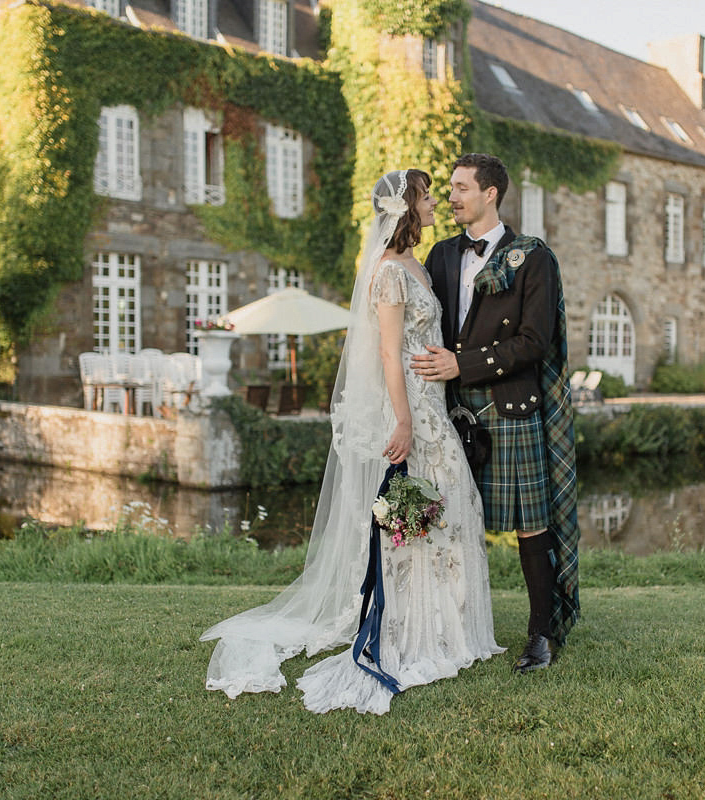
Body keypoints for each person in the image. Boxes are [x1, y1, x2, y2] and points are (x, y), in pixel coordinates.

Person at [201, 169, 503, 714]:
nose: (436, 203)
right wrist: (404, 420)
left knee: (455, 508)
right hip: (410, 407)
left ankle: (452, 628)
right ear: (408, 207)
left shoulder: (416, 265)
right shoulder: (389, 272)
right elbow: (390, 353)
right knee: (426, 515)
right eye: (428, 196)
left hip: (434, 402)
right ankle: (415, 629)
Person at [412, 153, 579, 674]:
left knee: (531, 527)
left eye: (461, 188)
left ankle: (541, 635)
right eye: (449, 189)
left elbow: (535, 342)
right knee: (453, 524)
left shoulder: (533, 258)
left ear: (491, 194)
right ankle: (453, 628)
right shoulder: (439, 255)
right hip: (453, 415)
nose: (451, 197)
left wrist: (462, 364)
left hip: (510, 410)